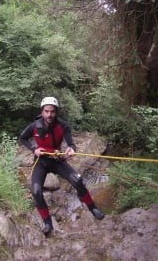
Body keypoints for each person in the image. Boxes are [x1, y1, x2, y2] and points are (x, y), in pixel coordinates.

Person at [19, 96, 105, 236]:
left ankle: (93, 208)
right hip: (40, 162)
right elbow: (22, 138)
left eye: (52, 111)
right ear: (42, 112)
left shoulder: (63, 125)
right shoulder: (34, 126)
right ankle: (48, 223)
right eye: (46, 111)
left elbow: (71, 143)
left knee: (77, 180)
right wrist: (33, 149)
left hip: (57, 160)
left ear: (56, 112)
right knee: (36, 191)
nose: (49, 115)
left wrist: (71, 149)